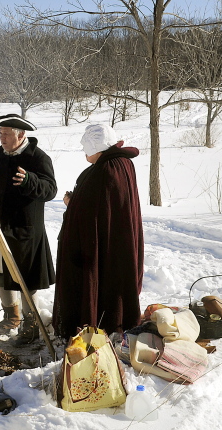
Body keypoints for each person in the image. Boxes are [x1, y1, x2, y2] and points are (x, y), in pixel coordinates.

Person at [52, 123, 144, 340]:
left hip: (103, 247)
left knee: (101, 281)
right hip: (116, 242)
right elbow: (102, 210)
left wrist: (72, 203)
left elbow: (92, 215)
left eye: (87, 148)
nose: (85, 153)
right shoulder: (122, 164)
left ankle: (95, 324)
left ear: (97, 147)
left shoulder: (105, 171)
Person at [0, 113, 57, 345]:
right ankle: (12, 317)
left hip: (25, 230)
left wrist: (30, 180)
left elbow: (50, 190)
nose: (2, 138)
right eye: (0, 133)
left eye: (6, 134)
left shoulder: (38, 158)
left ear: (21, 135)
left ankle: (31, 325)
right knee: (0, 271)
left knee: (25, 277)